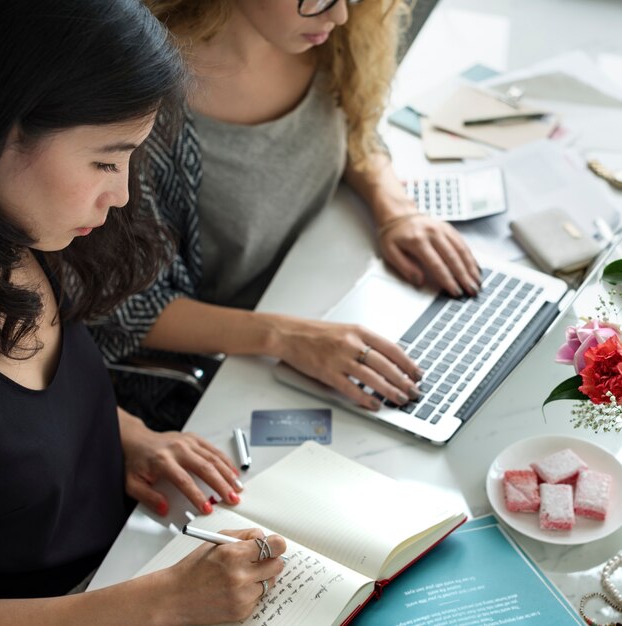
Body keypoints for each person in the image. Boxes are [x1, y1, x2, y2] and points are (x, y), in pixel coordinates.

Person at [0, 0, 285, 620]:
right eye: (104, 160)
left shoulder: (24, 235)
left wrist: (122, 436)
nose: (122, 193)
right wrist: (161, 604)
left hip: (125, 555)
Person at [91, 0, 482, 431]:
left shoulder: (331, 36)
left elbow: (355, 124)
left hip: (324, 293)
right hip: (234, 360)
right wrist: (288, 337)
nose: (341, 16)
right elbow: (122, 306)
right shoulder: (144, 94)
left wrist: (396, 212)